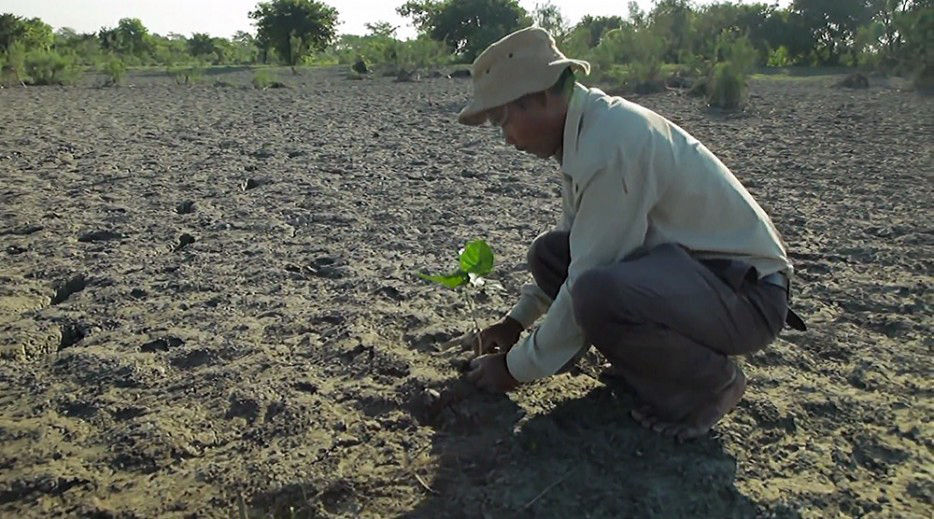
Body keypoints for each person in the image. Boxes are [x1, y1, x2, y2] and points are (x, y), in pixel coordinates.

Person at [460, 27, 805, 441]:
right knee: (551, 254)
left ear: (544, 95)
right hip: (692, 279)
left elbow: (588, 275)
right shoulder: (587, 133)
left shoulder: (610, 144)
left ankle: (713, 383)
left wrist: (513, 370)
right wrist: (516, 322)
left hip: (748, 299)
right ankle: (644, 368)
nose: (506, 138)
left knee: (597, 292)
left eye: (504, 119)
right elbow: (579, 245)